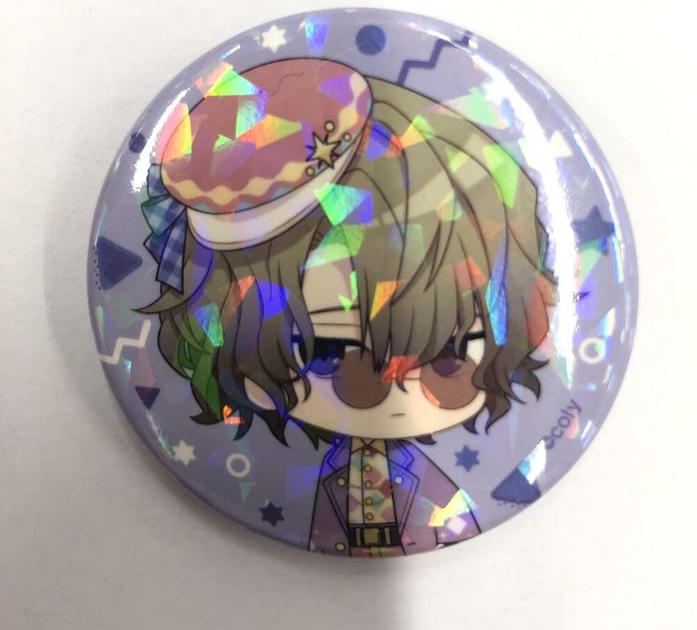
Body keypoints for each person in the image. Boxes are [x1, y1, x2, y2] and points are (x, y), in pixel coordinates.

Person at [140, 57, 555, 556]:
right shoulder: (321, 485)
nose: (389, 390)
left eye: (448, 355)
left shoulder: (441, 494)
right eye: (329, 355)